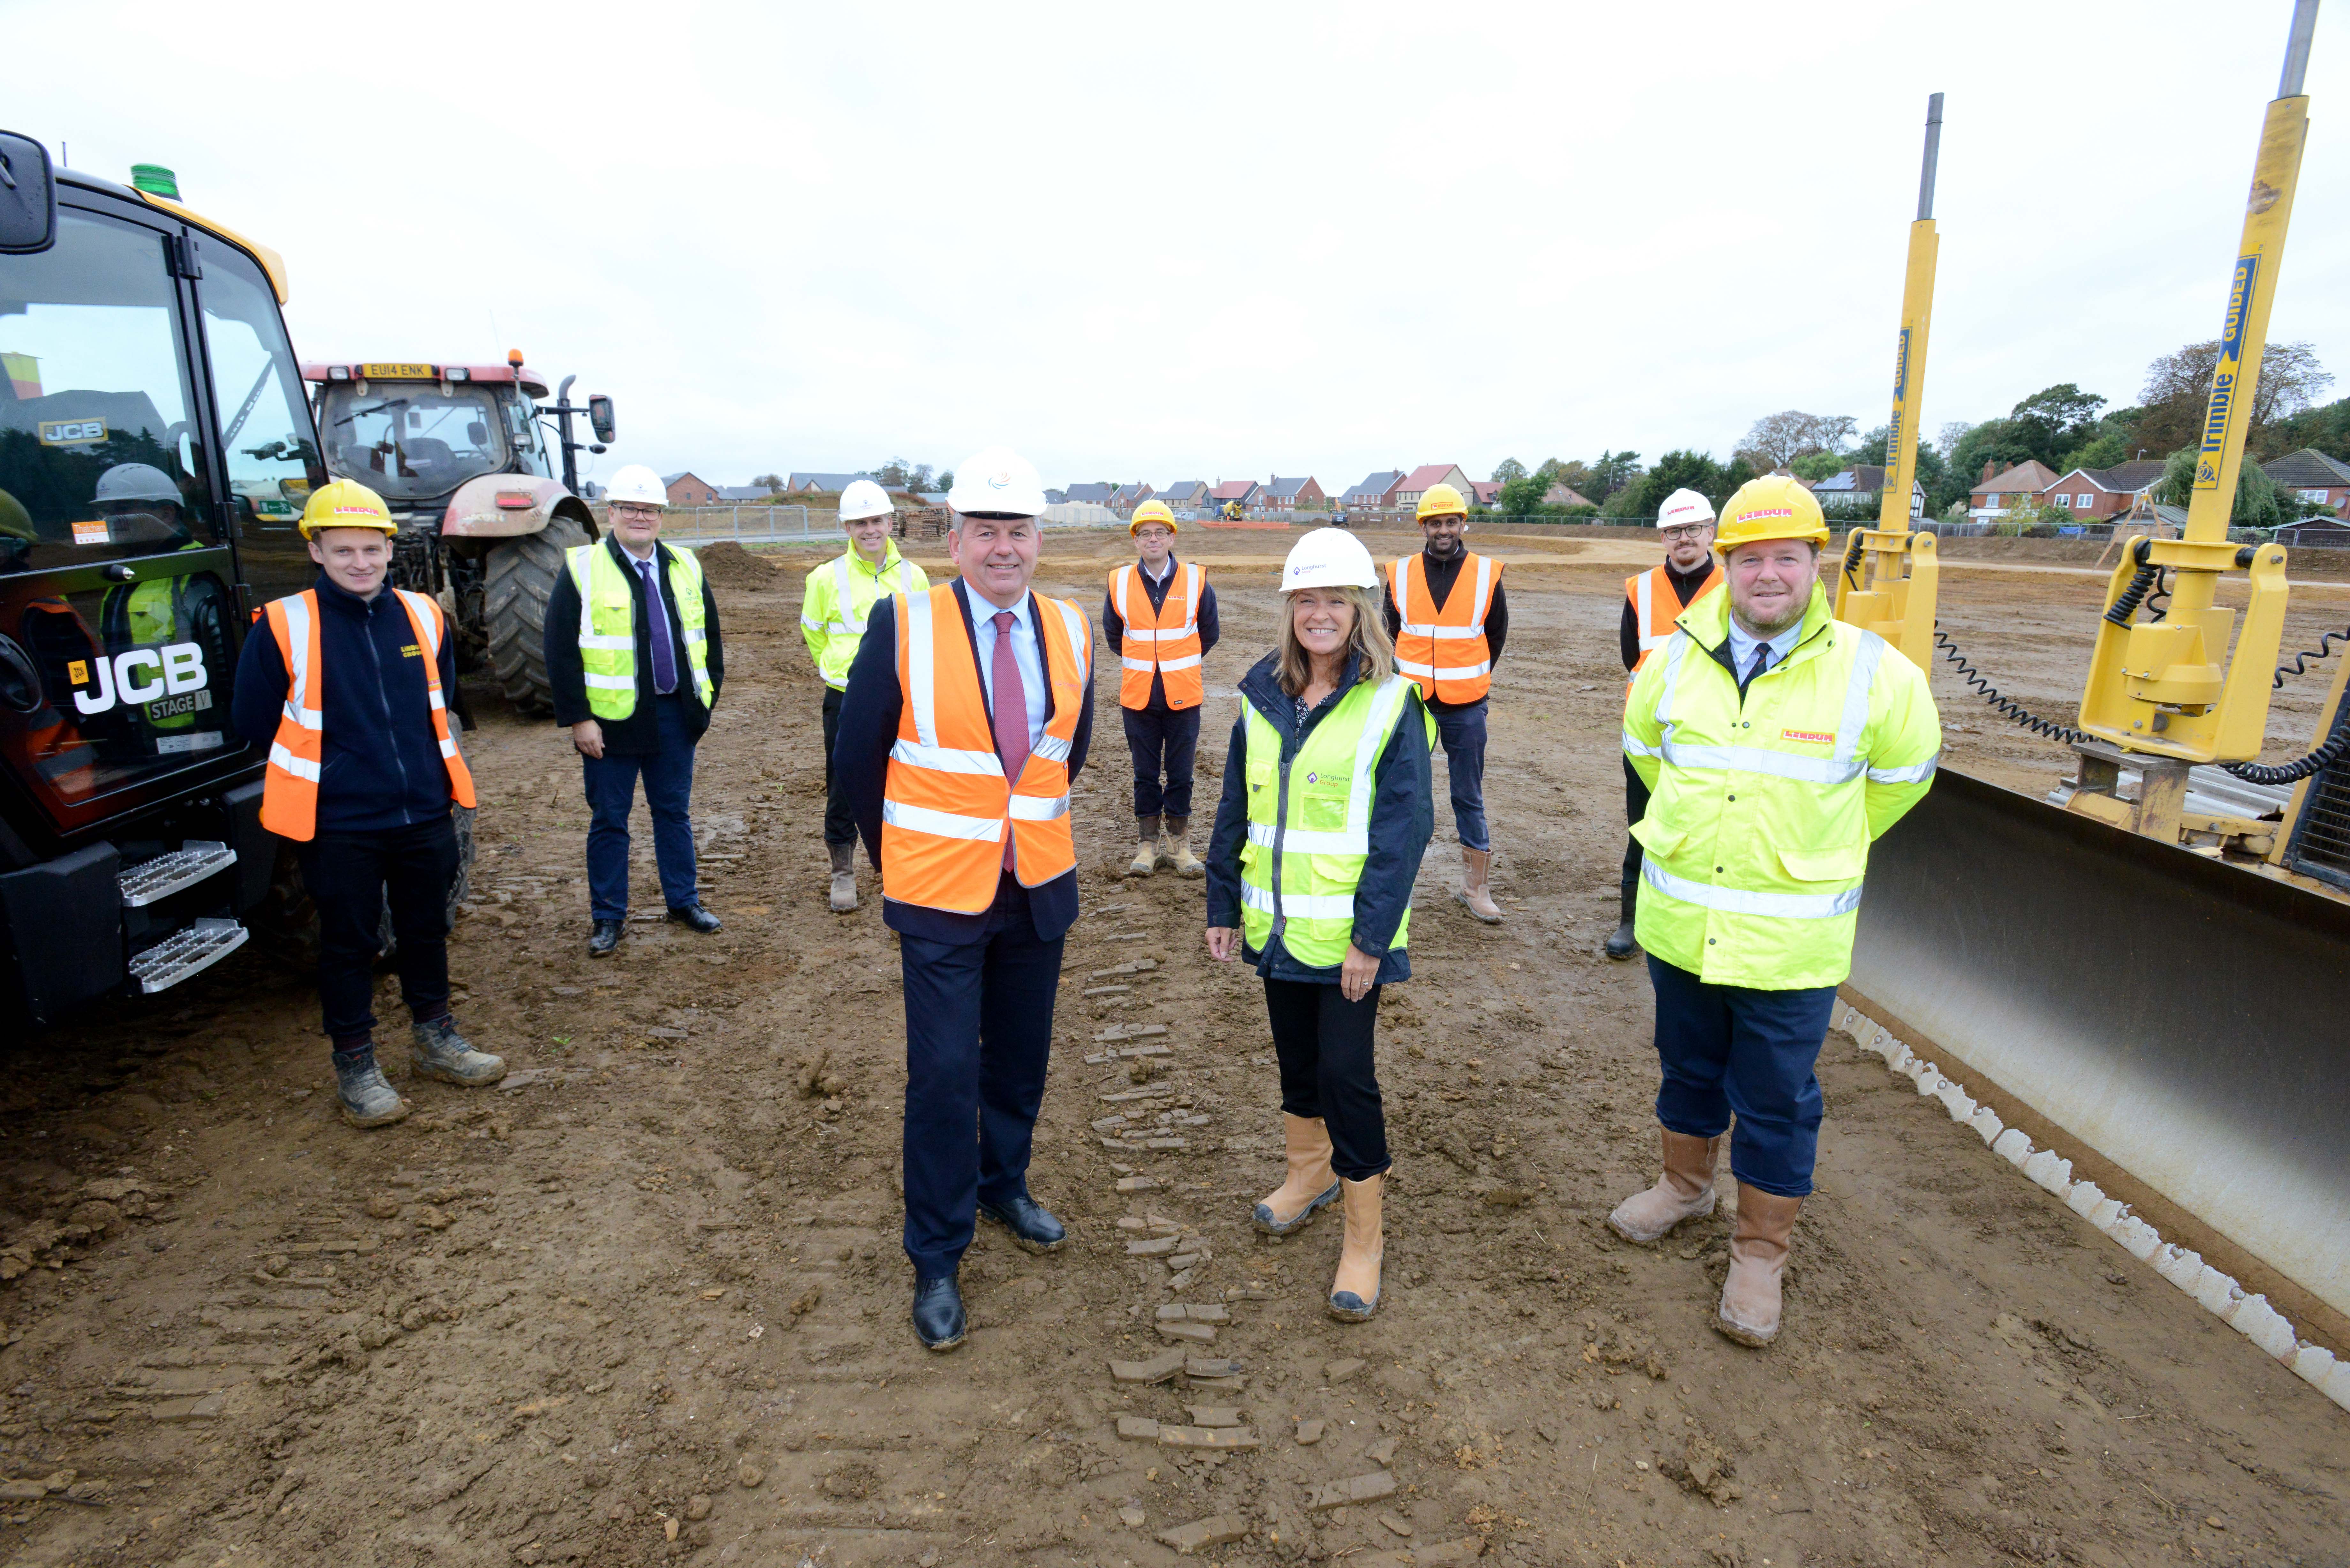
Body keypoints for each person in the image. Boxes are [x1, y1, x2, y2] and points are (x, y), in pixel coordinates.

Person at [1614, 476, 1941, 1347]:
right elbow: (1646, 754)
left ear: (1814, 564)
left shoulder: (1876, 675)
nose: (1767, 575)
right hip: (1683, 929)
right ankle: (1684, 1190)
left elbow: (1905, 780)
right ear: (1725, 565)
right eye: (1749, 558)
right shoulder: (1673, 660)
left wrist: (1810, 853)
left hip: (1791, 949)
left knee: (1775, 1102)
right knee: (1686, 1070)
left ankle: (1759, 1253)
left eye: (1784, 558)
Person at [832, 446, 1096, 1352]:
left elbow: (1071, 750)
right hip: (939, 893)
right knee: (944, 1077)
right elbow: (857, 761)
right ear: (953, 540)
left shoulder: (1069, 628)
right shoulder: (901, 624)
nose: (1003, 548)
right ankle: (937, 1255)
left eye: (1017, 530)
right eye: (985, 531)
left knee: (1019, 1061)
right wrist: (900, 858)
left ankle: (1003, 1183)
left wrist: (1024, 839)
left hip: (1038, 886)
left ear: (1037, 540)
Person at [1206, 527, 1433, 1323]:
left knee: (1347, 1076)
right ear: (1289, 609)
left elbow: (1404, 832)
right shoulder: (1262, 695)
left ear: (1360, 608)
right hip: (1275, 929)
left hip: (1347, 940)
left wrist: (1371, 938)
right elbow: (1237, 805)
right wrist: (1221, 902)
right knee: (1296, 1063)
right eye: (1307, 599)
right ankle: (1308, 1173)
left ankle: (1364, 1237)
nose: (1320, 613)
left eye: (1336, 598)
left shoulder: (1390, 703)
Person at [230, 479, 504, 1128]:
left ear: (389, 548)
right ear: (317, 551)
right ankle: (356, 1065)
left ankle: (436, 1038)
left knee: (425, 930)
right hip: (341, 824)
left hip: (424, 812)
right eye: (343, 549)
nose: (360, 561)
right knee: (349, 945)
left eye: (371, 548)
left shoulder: (423, 616)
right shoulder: (283, 625)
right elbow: (252, 719)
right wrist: (339, 770)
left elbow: (440, 705)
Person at [545, 463, 726, 957]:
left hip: (674, 717)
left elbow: (709, 640)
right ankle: (608, 917)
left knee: (674, 814)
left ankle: (683, 902)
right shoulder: (583, 568)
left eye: (650, 510)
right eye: (631, 508)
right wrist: (580, 718)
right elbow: (560, 650)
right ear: (613, 513)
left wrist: (703, 707)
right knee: (610, 819)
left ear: (662, 517)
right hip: (610, 724)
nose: (640, 517)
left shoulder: (686, 566)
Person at [801, 477, 929, 913]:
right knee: (844, 784)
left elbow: (928, 636)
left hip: (905, 699)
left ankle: (904, 867)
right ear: (846, 527)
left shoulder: (915, 576)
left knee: (908, 780)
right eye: (859, 523)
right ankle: (843, 872)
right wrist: (840, 671)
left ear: (891, 522)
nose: (869, 529)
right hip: (847, 698)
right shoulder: (824, 578)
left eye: (876, 520)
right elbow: (814, 633)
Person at [1381, 481, 1506, 923]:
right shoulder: (1399, 573)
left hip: (1466, 705)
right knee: (1401, 794)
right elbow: (1388, 632)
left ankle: (1476, 889)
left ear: (1462, 524)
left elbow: (1496, 635)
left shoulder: (1486, 574)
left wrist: (1471, 677)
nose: (1444, 530)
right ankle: (1390, 886)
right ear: (1424, 527)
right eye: (1436, 523)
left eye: (1451, 522)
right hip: (1412, 703)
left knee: (1468, 796)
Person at [1608, 487, 1724, 961]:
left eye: (1693, 529)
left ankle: (1702, 921)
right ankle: (1631, 919)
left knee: (1710, 829)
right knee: (1645, 823)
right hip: (1650, 736)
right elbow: (1629, 657)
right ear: (1662, 537)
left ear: (1711, 532)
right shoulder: (1641, 589)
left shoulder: (1734, 587)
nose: (1684, 539)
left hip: (1716, 734)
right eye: (1675, 531)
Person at [1103, 498, 1219, 877]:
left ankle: (1179, 843)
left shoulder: (1197, 580)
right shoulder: (1118, 581)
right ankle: (1147, 844)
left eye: (1160, 532)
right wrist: (1146, 666)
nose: (1153, 539)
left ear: (1172, 537)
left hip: (1183, 696)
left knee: (1182, 772)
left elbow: (1209, 632)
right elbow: (1113, 635)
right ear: (1136, 540)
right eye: (1145, 533)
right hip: (1138, 697)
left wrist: (1174, 664)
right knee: (1145, 773)